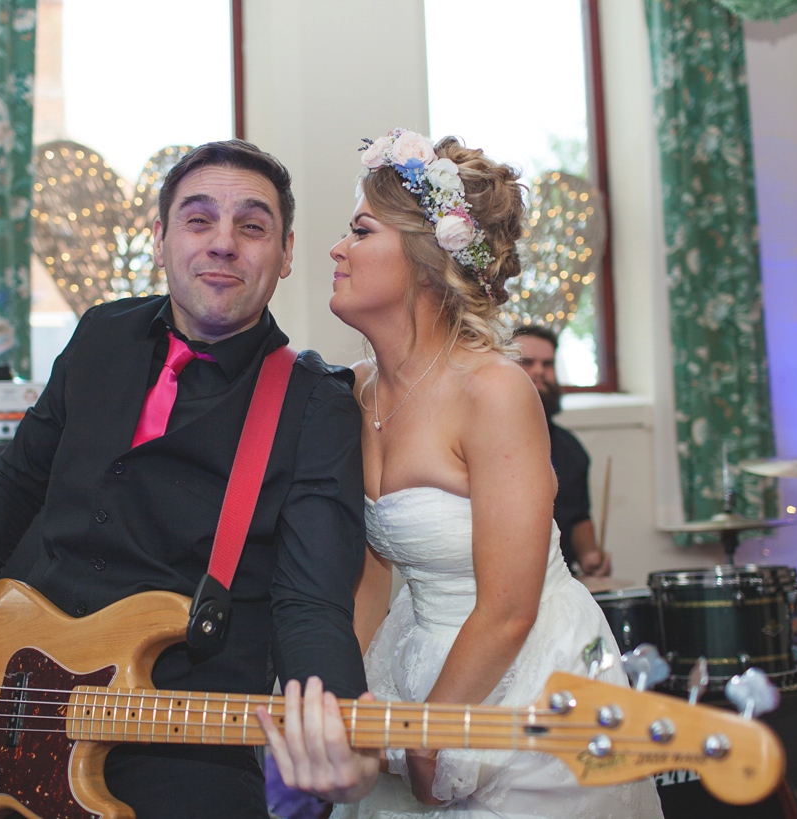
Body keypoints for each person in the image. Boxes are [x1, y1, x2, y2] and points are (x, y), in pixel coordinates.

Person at [0, 139, 379, 818]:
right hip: (11, 707)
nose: (223, 243)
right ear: (159, 238)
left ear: (286, 252)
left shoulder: (314, 402)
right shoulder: (100, 334)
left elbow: (312, 597)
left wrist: (335, 718)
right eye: (197, 219)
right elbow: (14, 481)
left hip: (183, 745)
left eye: (251, 225)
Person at [265, 129, 662, 817]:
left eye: (360, 230)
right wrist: (345, 700)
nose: (337, 247)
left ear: (425, 259)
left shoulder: (495, 391)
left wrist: (429, 736)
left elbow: (510, 608)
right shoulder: (351, 393)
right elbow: (370, 579)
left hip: (524, 674)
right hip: (411, 663)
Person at [511, 324, 611, 577]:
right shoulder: (481, 437)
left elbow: (578, 517)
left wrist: (590, 557)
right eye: (527, 362)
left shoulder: (571, 449)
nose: (539, 372)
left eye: (547, 364)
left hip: (558, 582)